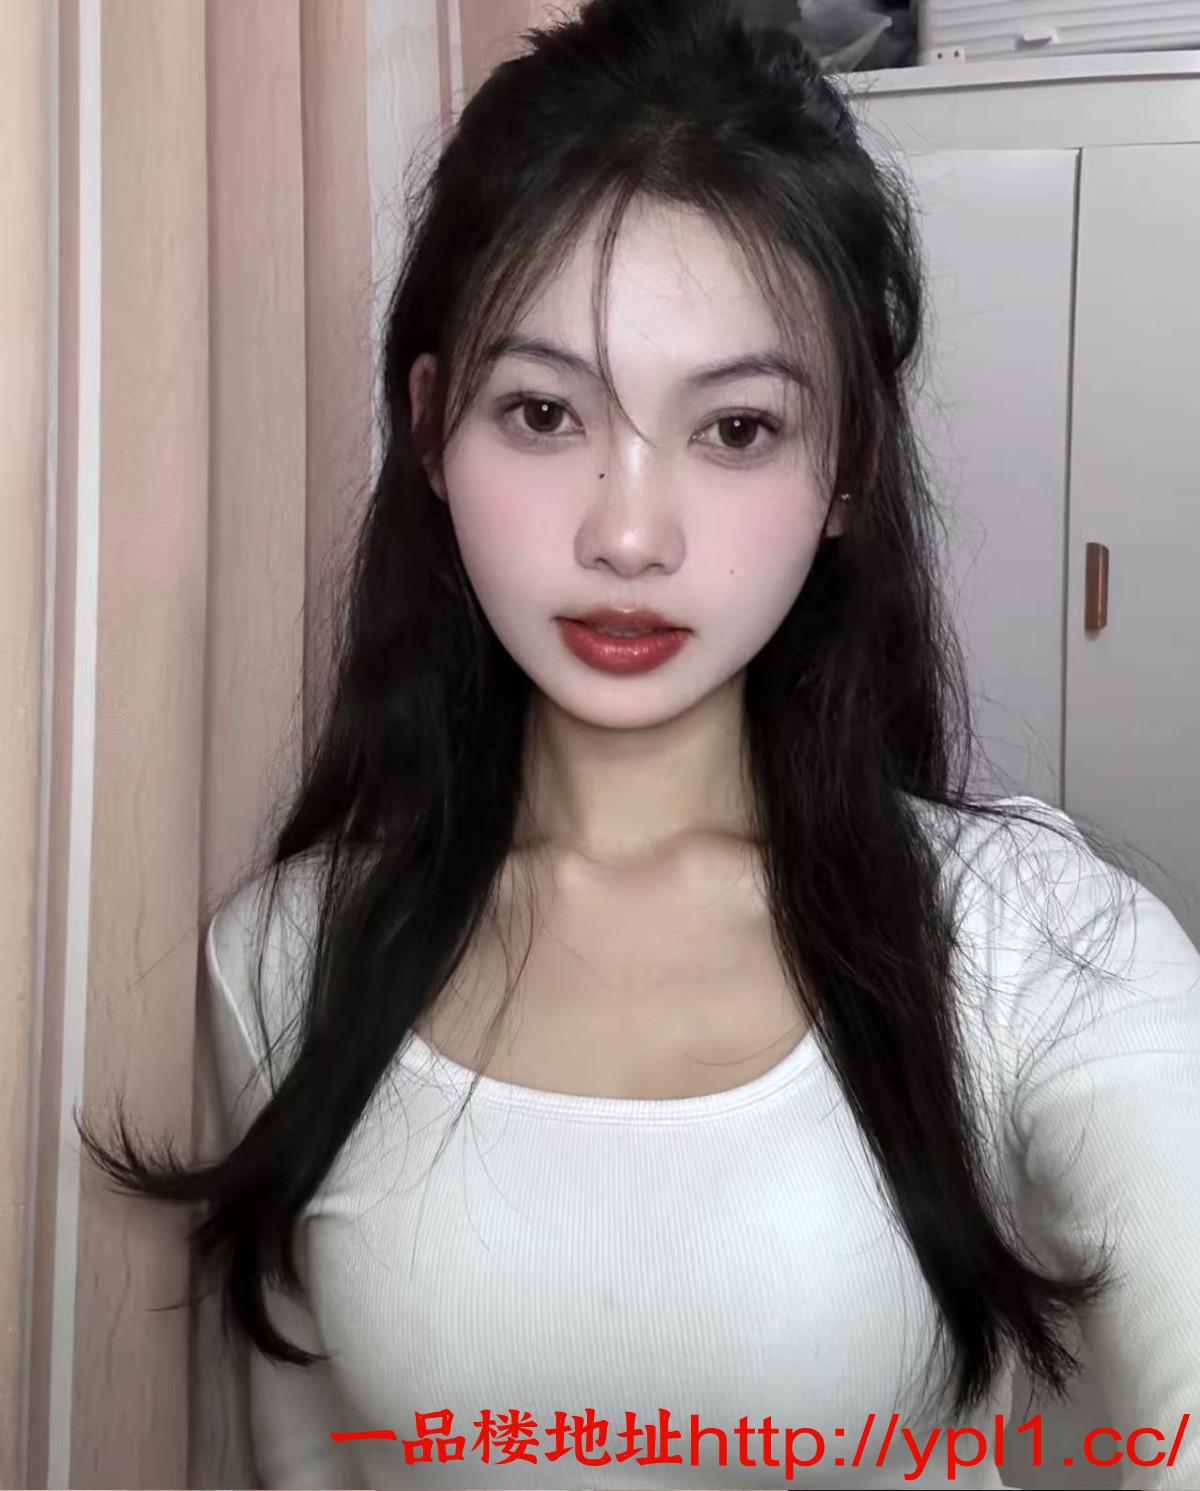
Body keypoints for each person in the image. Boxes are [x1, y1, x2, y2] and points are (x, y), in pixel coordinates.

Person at [79, 1, 1200, 1487]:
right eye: (544, 411)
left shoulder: (1032, 942)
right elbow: (317, 1464)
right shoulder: (289, 958)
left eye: (736, 429)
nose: (627, 533)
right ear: (432, 427)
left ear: (849, 467)